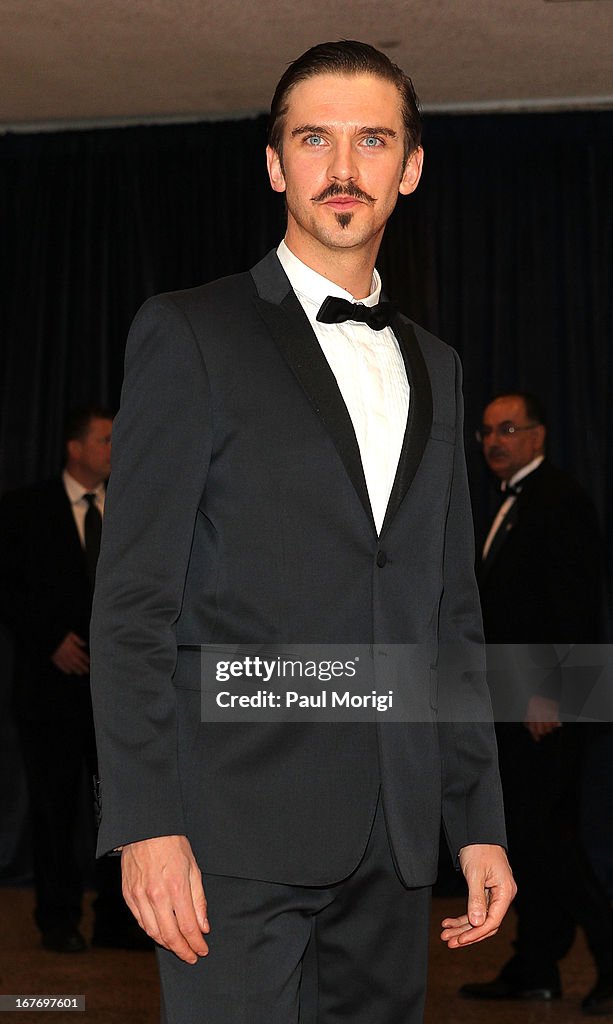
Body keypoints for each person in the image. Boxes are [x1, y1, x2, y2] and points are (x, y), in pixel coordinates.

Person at [90, 41, 515, 1024]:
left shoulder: (439, 366)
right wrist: (147, 822)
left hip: (395, 837)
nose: (341, 167)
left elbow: (449, 613)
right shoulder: (189, 331)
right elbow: (134, 605)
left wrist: (477, 820)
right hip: (227, 832)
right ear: (275, 165)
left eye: (372, 140)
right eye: (312, 138)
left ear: (408, 168)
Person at [460, 391, 613, 1015]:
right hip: (513, 698)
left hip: (547, 703)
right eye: (487, 433)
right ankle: (535, 966)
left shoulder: (561, 499)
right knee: (528, 839)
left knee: (549, 840)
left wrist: (549, 691)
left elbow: (577, 604)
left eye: (508, 430)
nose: (495, 441)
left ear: (538, 435)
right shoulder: (500, 502)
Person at [0, 406, 146, 952]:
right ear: (75, 447)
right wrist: (47, 640)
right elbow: (8, 588)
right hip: (51, 692)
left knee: (119, 808)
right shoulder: (24, 509)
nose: (114, 449)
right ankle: (58, 921)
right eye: (106, 439)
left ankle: (120, 921)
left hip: (121, 692)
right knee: (55, 808)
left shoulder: (132, 510)